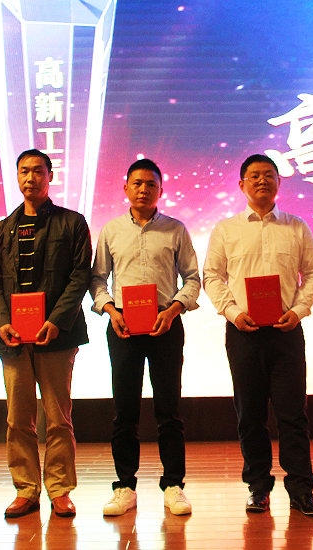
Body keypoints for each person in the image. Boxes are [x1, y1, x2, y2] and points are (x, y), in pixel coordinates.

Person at [202, 154, 313, 516]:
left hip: (287, 331)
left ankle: (301, 490)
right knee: (250, 414)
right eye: (254, 176)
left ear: (279, 182)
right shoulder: (226, 229)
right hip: (244, 332)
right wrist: (233, 313)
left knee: (293, 414)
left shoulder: (296, 227)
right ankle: (258, 487)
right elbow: (212, 276)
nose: (261, 181)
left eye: (269, 175)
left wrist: (298, 311)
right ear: (241, 184)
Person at [0, 149, 92, 518]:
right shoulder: (3, 228)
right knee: (18, 419)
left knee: (59, 418)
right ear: (17, 177)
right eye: (24, 172)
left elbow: (79, 276)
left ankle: (60, 490)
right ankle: (26, 489)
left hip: (56, 337)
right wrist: (2, 321)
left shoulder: (72, 223)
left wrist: (57, 320)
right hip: (13, 338)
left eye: (38, 171)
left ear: (50, 176)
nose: (30, 178)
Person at [90, 158, 200, 516]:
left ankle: (174, 485)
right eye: (137, 183)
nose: (143, 190)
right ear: (125, 188)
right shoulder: (111, 230)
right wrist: (110, 310)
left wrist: (174, 309)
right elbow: (97, 279)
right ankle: (124, 486)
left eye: (151, 184)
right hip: (123, 326)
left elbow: (192, 278)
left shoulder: (175, 229)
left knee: (169, 410)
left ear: (161, 190)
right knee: (125, 410)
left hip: (166, 324)